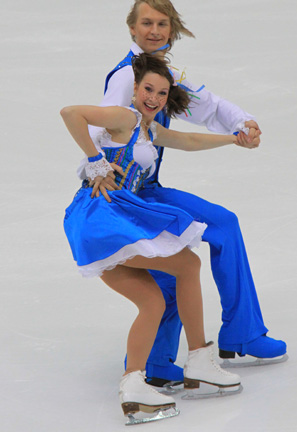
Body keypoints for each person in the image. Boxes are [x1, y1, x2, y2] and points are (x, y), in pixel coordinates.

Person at [78, 0, 287, 386]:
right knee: (178, 261)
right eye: (147, 23)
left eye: (162, 23)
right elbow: (95, 123)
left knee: (219, 226)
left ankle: (221, 339)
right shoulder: (128, 76)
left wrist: (242, 124)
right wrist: (95, 166)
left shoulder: (162, 77)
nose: (154, 31)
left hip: (148, 187)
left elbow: (205, 106)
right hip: (124, 196)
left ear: (172, 29)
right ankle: (174, 356)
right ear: (132, 29)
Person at [61, 53, 242, 423]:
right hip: (103, 216)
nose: (154, 98)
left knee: (153, 302)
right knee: (188, 263)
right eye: (148, 89)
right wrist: (95, 160)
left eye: (162, 92)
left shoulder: (149, 129)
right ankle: (199, 360)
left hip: (111, 220)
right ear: (135, 88)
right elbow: (70, 113)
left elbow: (189, 140)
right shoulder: (125, 118)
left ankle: (134, 387)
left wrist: (233, 139)